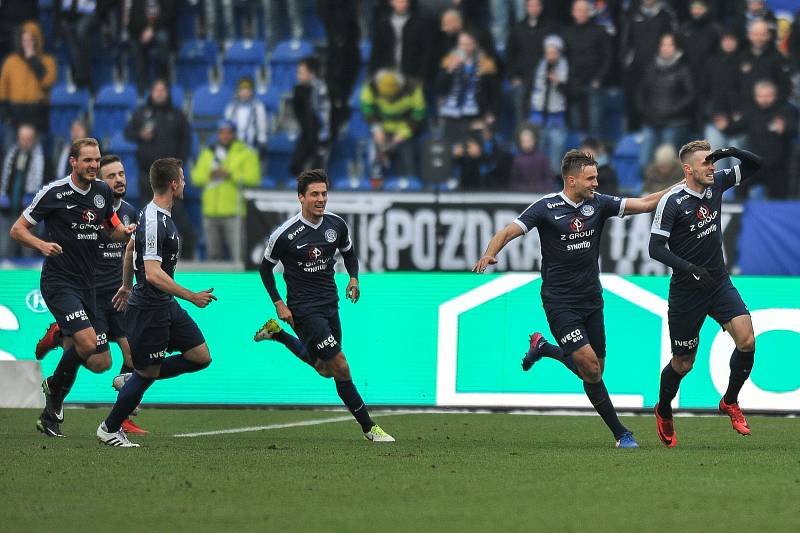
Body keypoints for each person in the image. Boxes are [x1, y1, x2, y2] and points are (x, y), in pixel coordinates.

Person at [472, 149, 681, 448]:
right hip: (560, 301)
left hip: (592, 299)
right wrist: (490, 252)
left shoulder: (599, 204)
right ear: (572, 180)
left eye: (596, 177)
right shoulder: (546, 207)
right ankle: (622, 433)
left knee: (595, 369)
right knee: (591, 369)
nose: (596, 182)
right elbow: (508, 231)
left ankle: (543, 347)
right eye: (591, 178)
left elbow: (647, 202)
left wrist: (682, 185)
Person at [9, 137, 136, 437]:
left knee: (100, 362)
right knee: (88, 342)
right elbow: (17, 229)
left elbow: (113, 229)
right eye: (88, 160)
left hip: (88, 285)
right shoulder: (54, 192)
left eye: (97, 160)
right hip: (59, 281)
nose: (94, 165)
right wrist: (41, 245)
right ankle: (55, 393)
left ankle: (51, 408)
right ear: (74, 162)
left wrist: (126, 232)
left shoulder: (102, 193)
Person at [255, 168, 394, 442]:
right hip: (304, 309)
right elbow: (265, 269)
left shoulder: (336, 225)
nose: (321, 199)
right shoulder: (285, 235)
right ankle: (369, 427)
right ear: (301, 198)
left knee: (324, 368)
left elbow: (349, 253)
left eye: (324, 193)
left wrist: (354, 278)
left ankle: (278, 334)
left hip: (330, 304)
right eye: (315, 194)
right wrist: (279, 303)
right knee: (340, 365)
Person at [648, 140, 762, 447]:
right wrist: (687, 268)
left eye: (714, 161)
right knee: (683, 363)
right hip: (686, 292)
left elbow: (756, 166)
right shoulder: (672, 202)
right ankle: (663, 408)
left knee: (747, 340)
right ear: (688, 169)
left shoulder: (718, 183)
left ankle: (730, 401)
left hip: (718, 283)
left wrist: (732, 151)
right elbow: (655, 248)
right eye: (706, 163)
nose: (712, 167)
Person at [97, 158, 216, 447]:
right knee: (147, 374)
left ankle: (133, 379)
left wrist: (125, 286)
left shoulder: (160, 216)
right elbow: (151, 273)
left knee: (201, 356)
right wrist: (191, 295)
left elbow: (129, 250)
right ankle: (110, 428)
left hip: (165, 305)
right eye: (183, 179)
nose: (186, 183)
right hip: (150, 308)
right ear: (173, 184)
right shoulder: (153, 219)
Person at [191, 119, 260, 262]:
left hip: (233, 212)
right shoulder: (208, 152)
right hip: (210, 211)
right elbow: (196, 177)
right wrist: (209, 175)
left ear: (234, 134)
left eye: (228, 132)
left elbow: (253, 178)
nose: (225, 136)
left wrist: (230, 175)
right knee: (213, 255)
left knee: (238, 254)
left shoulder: (245, 153)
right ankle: (214, 285)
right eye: (222, 132)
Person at [360, 69, 426, 182]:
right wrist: (376, 129)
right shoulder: (371, 87)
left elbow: (418, 116)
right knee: (374, 162)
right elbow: (367, 109)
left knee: (408, 161)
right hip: (381, 129)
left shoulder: (413, 88)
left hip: (405, 130)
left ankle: (409, 187)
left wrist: (403, 134)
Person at [0, 124, 51, 259]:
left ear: (34, 139)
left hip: (29, 212)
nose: (25, 142)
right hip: (8, 209)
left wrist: (34, 197)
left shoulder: (43, 159)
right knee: (4, 249)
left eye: (28, 138)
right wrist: (3, 194)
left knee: (27, 250)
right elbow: (4, 177)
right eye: (22, 138)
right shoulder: (11, 155)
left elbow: (48, 184)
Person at [0, 20, 57, 138]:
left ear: (37, 41)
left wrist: (34, 61)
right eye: (24, 40)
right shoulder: (11, 61)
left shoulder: (48, 61)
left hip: (36, 113)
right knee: (11, 151)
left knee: (37, 152)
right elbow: (3, 87)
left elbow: (47, 82)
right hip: (15, 113)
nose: (27, 44)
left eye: (31, 40)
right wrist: (5, 111)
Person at [290, 57, 331, 177]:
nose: (298, 76)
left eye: (301, 72)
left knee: (317, 170)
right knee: (295, 166)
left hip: (318, 135)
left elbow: (323, 114)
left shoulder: (320, 89)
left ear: (311, 73)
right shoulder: (299, 89)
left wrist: (322, 136)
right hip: (306, 133)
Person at [508, 123, 554, 193]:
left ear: (534, 141)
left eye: (528, 141)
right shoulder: (517, 160)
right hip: (521, 196)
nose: (526, 144)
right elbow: (514, 182)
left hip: (540, 195)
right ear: (520, 142)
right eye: (524, 141)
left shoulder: (542, 159)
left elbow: (549, 179)